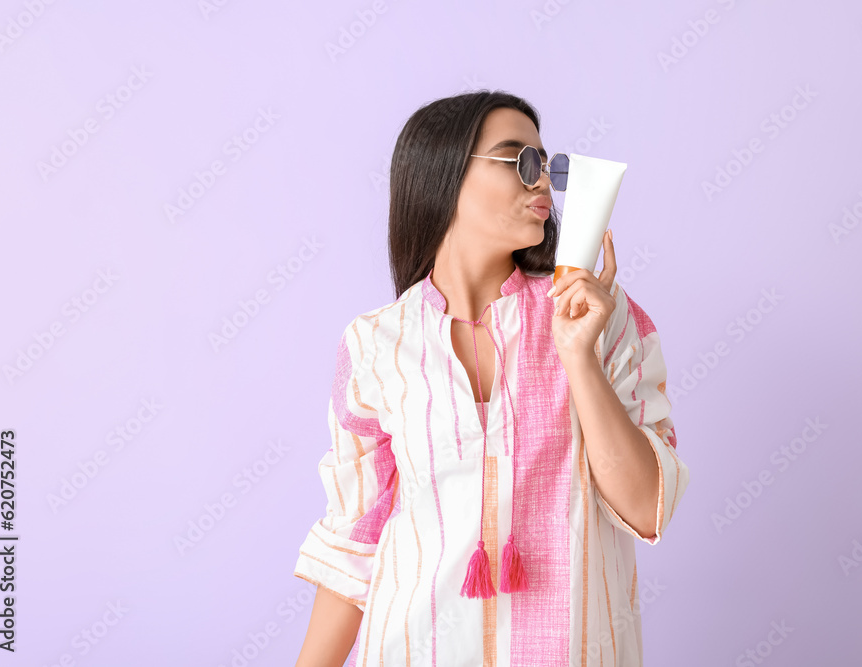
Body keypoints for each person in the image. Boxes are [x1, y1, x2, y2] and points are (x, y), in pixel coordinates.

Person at [292, 90, 691, 667]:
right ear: (443, 175)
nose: (543, 184)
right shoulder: (375, 344)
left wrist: (578, 357)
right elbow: (355, 544)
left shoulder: (599, 316)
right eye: (519, 160)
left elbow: (646, 505)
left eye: (545, 164)